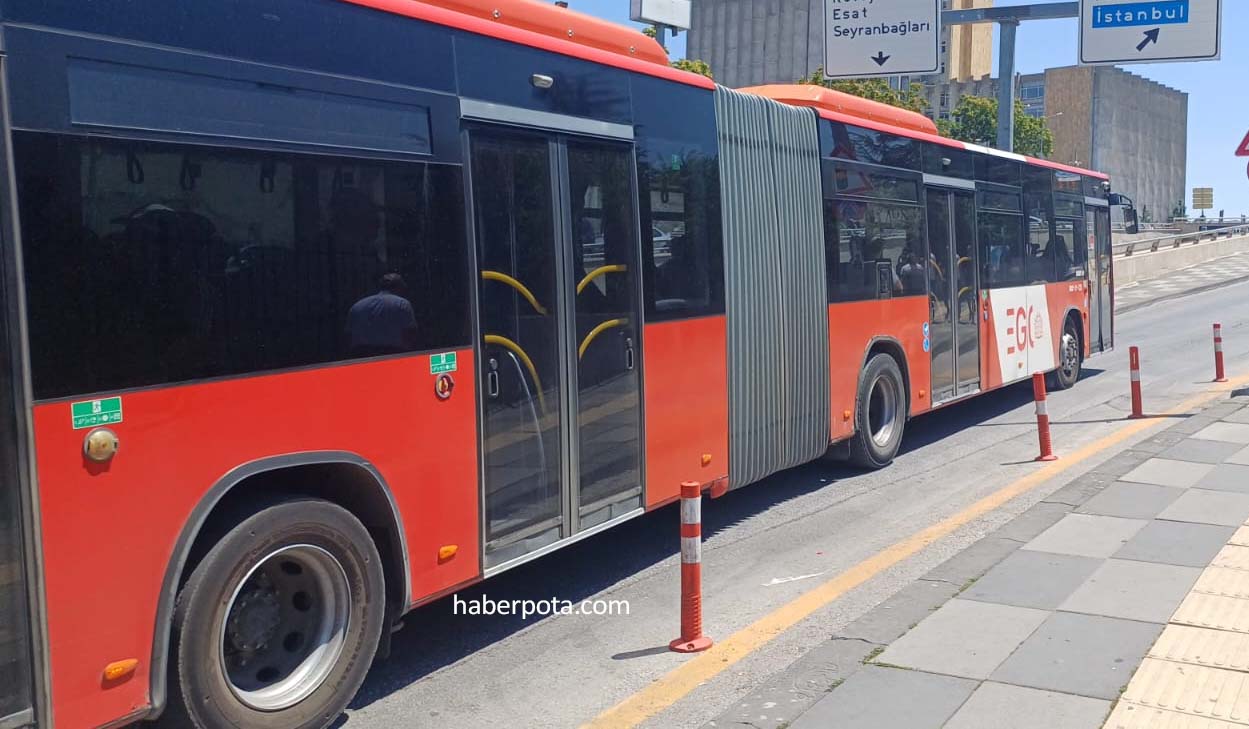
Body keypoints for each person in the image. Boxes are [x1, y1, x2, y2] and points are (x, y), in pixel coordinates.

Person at [346, 273, 418, 356]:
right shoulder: (402, 303)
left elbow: (348, 335)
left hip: (361, 356)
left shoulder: (357, 305)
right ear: (399, 287)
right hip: (392, 354)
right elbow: (410, 333)